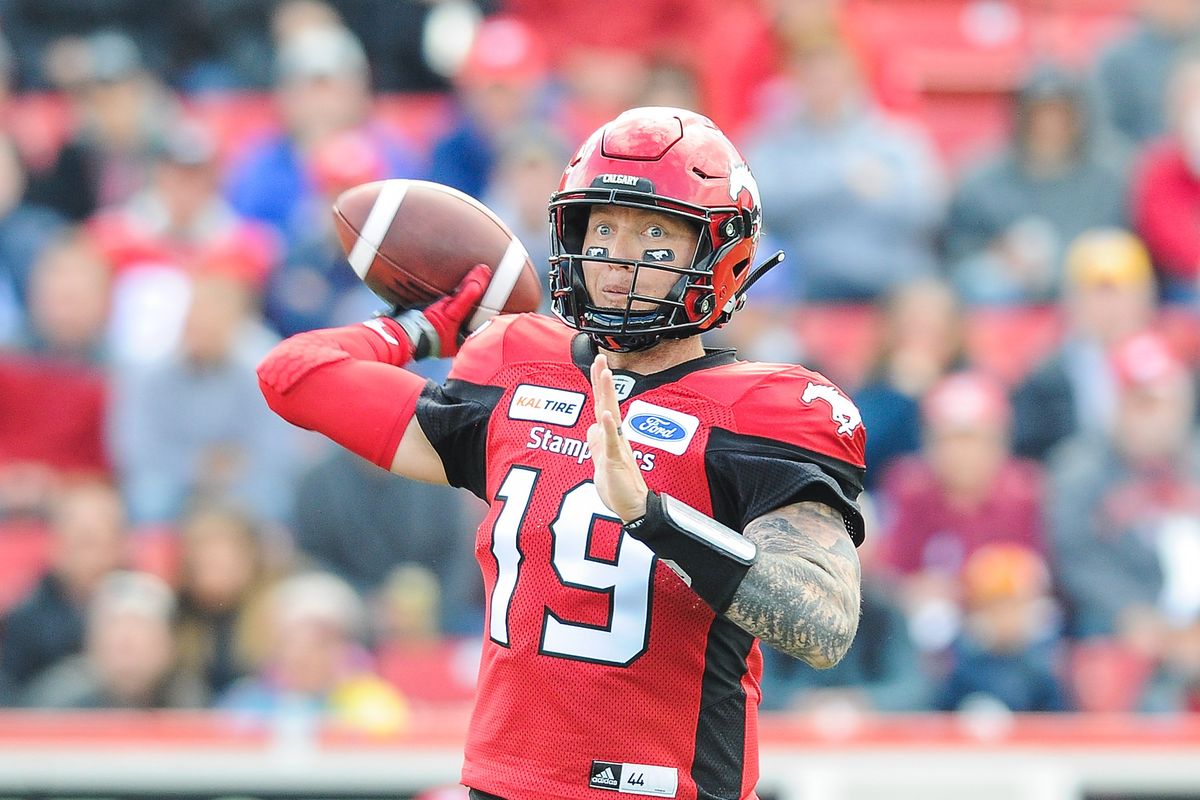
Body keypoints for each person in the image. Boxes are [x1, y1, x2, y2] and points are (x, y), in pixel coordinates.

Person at [258, 106, 865, 800]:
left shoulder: (767, 410)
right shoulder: (517, 364)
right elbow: (291, 378)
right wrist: (420, 331)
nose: (618, 257)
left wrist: (654, 516)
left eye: (655, 234)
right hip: (502, 785)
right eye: (603, 227)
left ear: (716, 253)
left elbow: (822, 625)